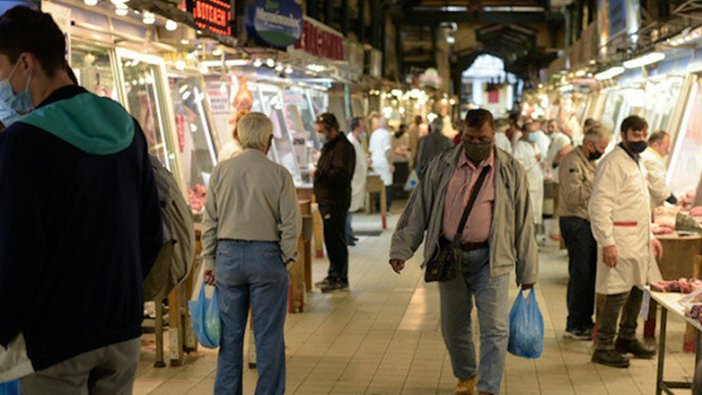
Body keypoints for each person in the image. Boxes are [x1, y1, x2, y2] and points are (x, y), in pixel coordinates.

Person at [0, 6, 163, 393]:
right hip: (122, 329)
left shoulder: (23, 141)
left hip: (58, 339)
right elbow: (151, 233)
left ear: (26, 63)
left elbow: (18, 253)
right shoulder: (123, 123)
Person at [389, 109, 538, 395]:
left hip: (492, 260)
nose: (476, 144)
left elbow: (523, 221)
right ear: (462, 133)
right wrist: (401, 248)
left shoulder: (509, 170)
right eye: (470, 138)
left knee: (495, 329)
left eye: (483, 138)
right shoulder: (442, 166)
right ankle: (466, 375)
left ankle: (487, 389)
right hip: (449, 257)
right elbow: (419, 208)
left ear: (493, 135)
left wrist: (527, 270)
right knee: (453, 326)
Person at [201, 113, 301, 394]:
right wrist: (287, 257)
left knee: (230, 338)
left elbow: (211, 220)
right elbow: (290, 223)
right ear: (268, 141)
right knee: (269, 337)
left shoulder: (221, 171)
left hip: (228, 257)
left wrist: (210, 259)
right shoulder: (280, 174)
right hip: (268, 257)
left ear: (240, 138)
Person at [589, 115, 663, 368]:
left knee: (636, 289)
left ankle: (627, 337)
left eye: (644, 135)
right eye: (636, 135)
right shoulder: (613, 164)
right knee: (616, 293)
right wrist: (607, 242)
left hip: (638, 240)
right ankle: (605, 346)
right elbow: (599, 206)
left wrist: (650, 236)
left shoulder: (637, 162)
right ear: (623, 135)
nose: (641, 140)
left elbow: (640, 205)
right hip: (619, 240)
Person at [558, 126, 610, 340]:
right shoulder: (572, 162)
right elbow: (572, 197)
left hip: (587, 222)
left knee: (589, 275)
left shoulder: (590, 161)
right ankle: (575, 324)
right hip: (575, 222)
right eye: (601, 147)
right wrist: (598, 184)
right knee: (580, 273)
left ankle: (585, 321)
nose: (603, 151)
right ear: (589, 145)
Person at [313, 113, 356, 293]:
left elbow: (340, 175)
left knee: (336, 240)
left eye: (321, 131)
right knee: (330, 239)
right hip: (327, 200)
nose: (320, 135)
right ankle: (333, 274)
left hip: (335, 201)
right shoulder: (330, 146)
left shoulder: (342, 148)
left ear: (331, 129)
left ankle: (340, 277)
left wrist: (318, 174)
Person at [512, 121, 544, 226]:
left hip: (537, 183)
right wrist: (534, 158)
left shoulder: (534, 145)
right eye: (530, 132)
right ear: (524, 132)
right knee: (527, 214)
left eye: (535, 131)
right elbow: (518, 165)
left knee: (536, 211)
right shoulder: (519, 146)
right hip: (528, 184)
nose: (533, 134)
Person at [346, 116, 368, 246]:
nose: (364, 128)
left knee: (351, 208)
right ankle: (347, 234)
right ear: (357, 127)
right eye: (363, 126)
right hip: (352, 180)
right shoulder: (350, 142)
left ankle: (349, 233)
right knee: (348, 209)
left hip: (357, 180)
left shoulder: (356, 141)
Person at [641, 130, 677, 207]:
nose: (668, 152)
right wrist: (674, 200)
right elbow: (658, 185)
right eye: (666, 148)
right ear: (655, 145)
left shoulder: (644, 154)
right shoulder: (652, 160)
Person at [368, 114, 394, 211]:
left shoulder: (374, 134)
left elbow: (371, 150)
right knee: (387, 184)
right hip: (384, 163)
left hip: (375, 162)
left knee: (377, 185)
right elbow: (387, 151)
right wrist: (391, 163)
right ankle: (386, 207)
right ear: (386, 124)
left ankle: (377, 206)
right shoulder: (386, 134)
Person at [545, 119, 573, 183]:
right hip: (552, 176)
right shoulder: (552, 139)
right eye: (548, 126)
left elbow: (567, 151)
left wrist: (555, 163)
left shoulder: (563, 138)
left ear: (558, 128)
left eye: (552, 127)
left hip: (558, 177)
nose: (549, 129)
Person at [392, 123, 411, 194]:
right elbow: (408, 148)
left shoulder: (393, 136)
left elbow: (392, 148)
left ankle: (396, 193)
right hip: (403, 160)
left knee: (396, 179)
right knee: (402, 178)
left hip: (395, 160)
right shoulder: (405, 137)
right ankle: (403, 193)